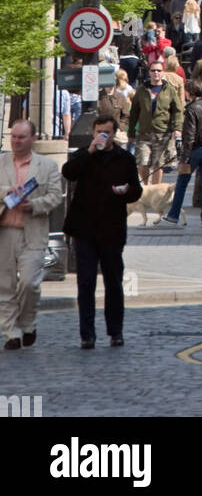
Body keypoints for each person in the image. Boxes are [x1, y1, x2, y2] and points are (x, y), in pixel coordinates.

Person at [62, 114, 143, 349]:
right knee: (86, 283)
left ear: (114, 133)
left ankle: (115, 331)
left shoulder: (124, 158)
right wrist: (89, 151)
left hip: (112, 229)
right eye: (99, 132)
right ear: (94, 132)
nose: (102, 136)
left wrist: (126, 191)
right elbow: (69, 172)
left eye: (107, 132)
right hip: (84, 228)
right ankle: (87, 334)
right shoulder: (84, 154)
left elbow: (136, 190)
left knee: (114, 282)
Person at [0, 121, 63, 350]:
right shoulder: (1, 163)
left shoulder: (47, 165)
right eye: (14, 137)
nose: (16, 141)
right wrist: (6, 192)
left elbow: (56, 196)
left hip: (33, 231)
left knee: (29, 283)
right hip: (5, 231)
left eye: (22, 137)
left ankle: (28, 324)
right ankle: (11, 333)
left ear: (33, 138)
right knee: (5, 285)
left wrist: (33, 204)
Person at [160, 79, 202, 227]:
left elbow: (190, 135)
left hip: (195, 151)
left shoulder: (192, 108)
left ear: (189, 92)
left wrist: (185, 157)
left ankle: (173, 216)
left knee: (181, 183)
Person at [128, 58, 183, 186]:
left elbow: (177, 110)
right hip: (144, 132)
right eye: (153, 70)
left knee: (158, 164)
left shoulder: (169, 89)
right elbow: (134, 112)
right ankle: (146, 188)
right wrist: (131, 132)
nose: (156, 73)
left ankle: (155, 189)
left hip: (162, 132)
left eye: (159, 70)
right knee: (142, 161)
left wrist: (177, 128)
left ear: (163, 72)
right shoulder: (142, 89)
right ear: (149, 72)